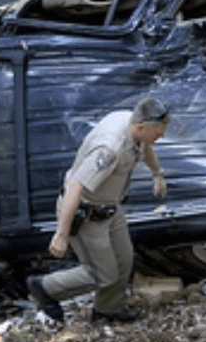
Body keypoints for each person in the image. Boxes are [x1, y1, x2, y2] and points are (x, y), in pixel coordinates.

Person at [26, 97, 170, 324]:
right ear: (142, 127)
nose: (161, 137)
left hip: (110, 207)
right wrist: (62, 234)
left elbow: (146, 147)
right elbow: (76, 187)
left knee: (123, 261)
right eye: (158, 133)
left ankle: (107, 311)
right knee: (103, 274)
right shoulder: (110, 149)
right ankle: (45, 288)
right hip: (86, 213)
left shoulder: (132, 123)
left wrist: (157, 174)